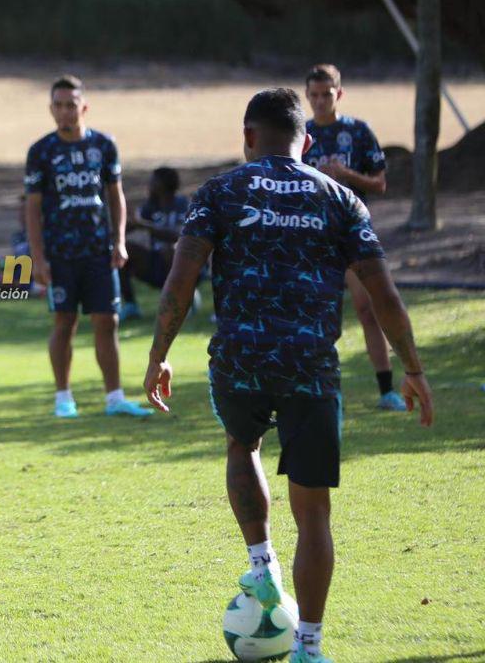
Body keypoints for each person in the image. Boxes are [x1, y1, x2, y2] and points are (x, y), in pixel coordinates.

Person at [144, 88, 434, 663]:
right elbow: (383, 294)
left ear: (248, 136)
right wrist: (413, 368)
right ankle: (310, 647)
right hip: (310, 365)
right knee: (314, 511)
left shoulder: (219, 192)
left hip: (240, 358)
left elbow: (180, 280)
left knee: (242, 442)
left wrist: (159, 355)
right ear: (307, 140)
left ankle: (262, 565)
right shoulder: (340, 198)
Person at [23, 75, 153, 419]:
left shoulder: (104, 146)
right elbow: (33, 208)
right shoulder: (41, 151)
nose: (65, 111)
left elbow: (115, 196)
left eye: (71, 104)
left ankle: (115, 398)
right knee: (64, 321)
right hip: (60, 254)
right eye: (59, 105)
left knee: (108, 320)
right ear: (51, 109)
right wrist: (38, 257)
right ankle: (63, 399)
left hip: (98, 251)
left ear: (84, 107)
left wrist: (119, 241)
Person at [303, 63, 404, 411]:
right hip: (313, 235)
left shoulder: (358, 131)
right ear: (307, 96)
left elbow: (379, 183)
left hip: (352, 232)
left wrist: (346, 174)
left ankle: (386, 390)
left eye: (326, 94)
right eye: (314, 95)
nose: (320, 101)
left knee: (367, 308)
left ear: (339, 94)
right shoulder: (300, 135)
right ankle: (321, 390)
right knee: (316, 312)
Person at [119, 166, 192, 319]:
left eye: (153, 181)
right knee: (122, 250)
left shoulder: (182, 204)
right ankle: (131, 305)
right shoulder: (150, 207)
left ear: (163, 184)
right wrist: (124, 224)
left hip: (181, 262)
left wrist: (144, 225)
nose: (149, 185)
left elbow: (179, 236)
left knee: (171, 249)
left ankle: (184, 299)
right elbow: (132, 226)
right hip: (155, 263)